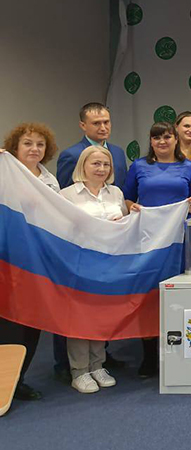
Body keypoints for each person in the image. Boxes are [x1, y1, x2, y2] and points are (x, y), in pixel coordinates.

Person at [123, 121, 191, 377]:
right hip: (147, 241)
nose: (162, 141)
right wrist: (131, 207)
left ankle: (177, 352)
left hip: (178, 242)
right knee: (148, 296)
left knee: (177, 296)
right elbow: (127, 197)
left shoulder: (188, 166)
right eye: (156, 137)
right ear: (151, 141)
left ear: (175, 139)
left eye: (167, 137)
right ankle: (149, 356)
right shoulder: (139, 166)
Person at [60, 146, 139, 393]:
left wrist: (126, 219)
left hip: (108, 262)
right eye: (95, 164)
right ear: (83, 165)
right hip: (80, 263)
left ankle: (97, 365)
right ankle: (79, 371)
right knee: (79, 316)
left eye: (106, 164)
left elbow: (124, 227)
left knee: (100, 313)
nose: (102, 169)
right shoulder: (67, 195)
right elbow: (60, 230)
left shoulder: (115, 193)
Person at [0, 122, 60, 401]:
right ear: (15, 146)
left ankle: (19, 379)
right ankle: (4, 382)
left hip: (38, 260)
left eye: (40, 144)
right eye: (27, 143)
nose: (34, 149)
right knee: (9, 321)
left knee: (33, 320)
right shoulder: (4, 171)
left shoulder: (50, 181)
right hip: (8, 259)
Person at [57, 102, 128, 190]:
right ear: (83, 126)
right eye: (96, 123)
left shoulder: (118, 152)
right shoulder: (72, 155)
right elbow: (65, 192)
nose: (103, 128)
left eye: (106, 122)